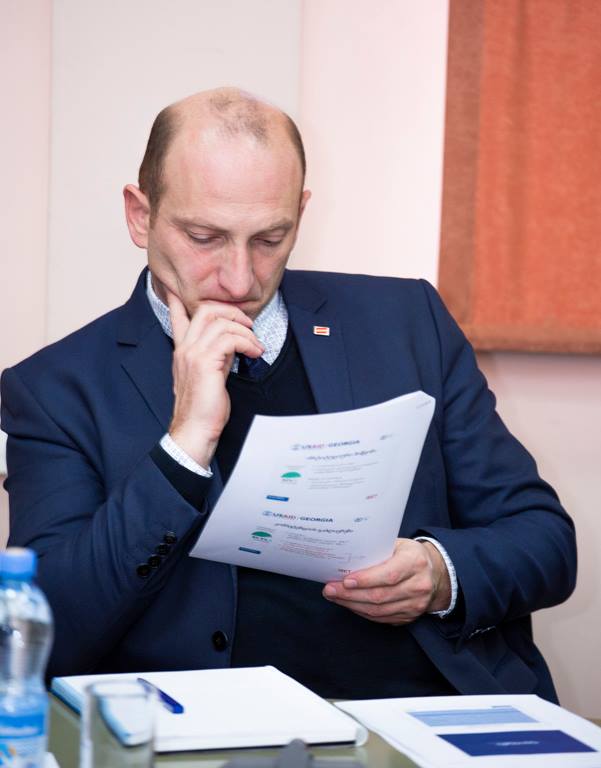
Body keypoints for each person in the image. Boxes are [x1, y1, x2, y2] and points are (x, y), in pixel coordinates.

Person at [1, 88, 576, 701]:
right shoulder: (55, 390)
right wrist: (183, 448)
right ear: (141, 215)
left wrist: (439, 574)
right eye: (205, 237)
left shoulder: (408, 322)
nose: (239, 279)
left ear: (300, 212)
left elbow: (544, 540)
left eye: (270, 239)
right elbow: (50, 631)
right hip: (204, 725)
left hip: (423, 708)